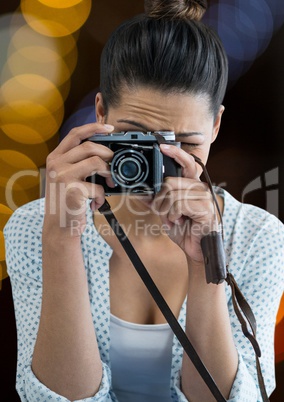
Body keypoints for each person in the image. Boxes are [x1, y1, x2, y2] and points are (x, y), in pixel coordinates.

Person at [4, 1, 284, 401]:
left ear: (217, 125)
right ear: (100, 113)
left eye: (184, 145)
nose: (157, 164)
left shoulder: (257, 237)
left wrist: (207, 260)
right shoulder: (35, 228)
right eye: (135, 140)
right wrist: (61, 241)